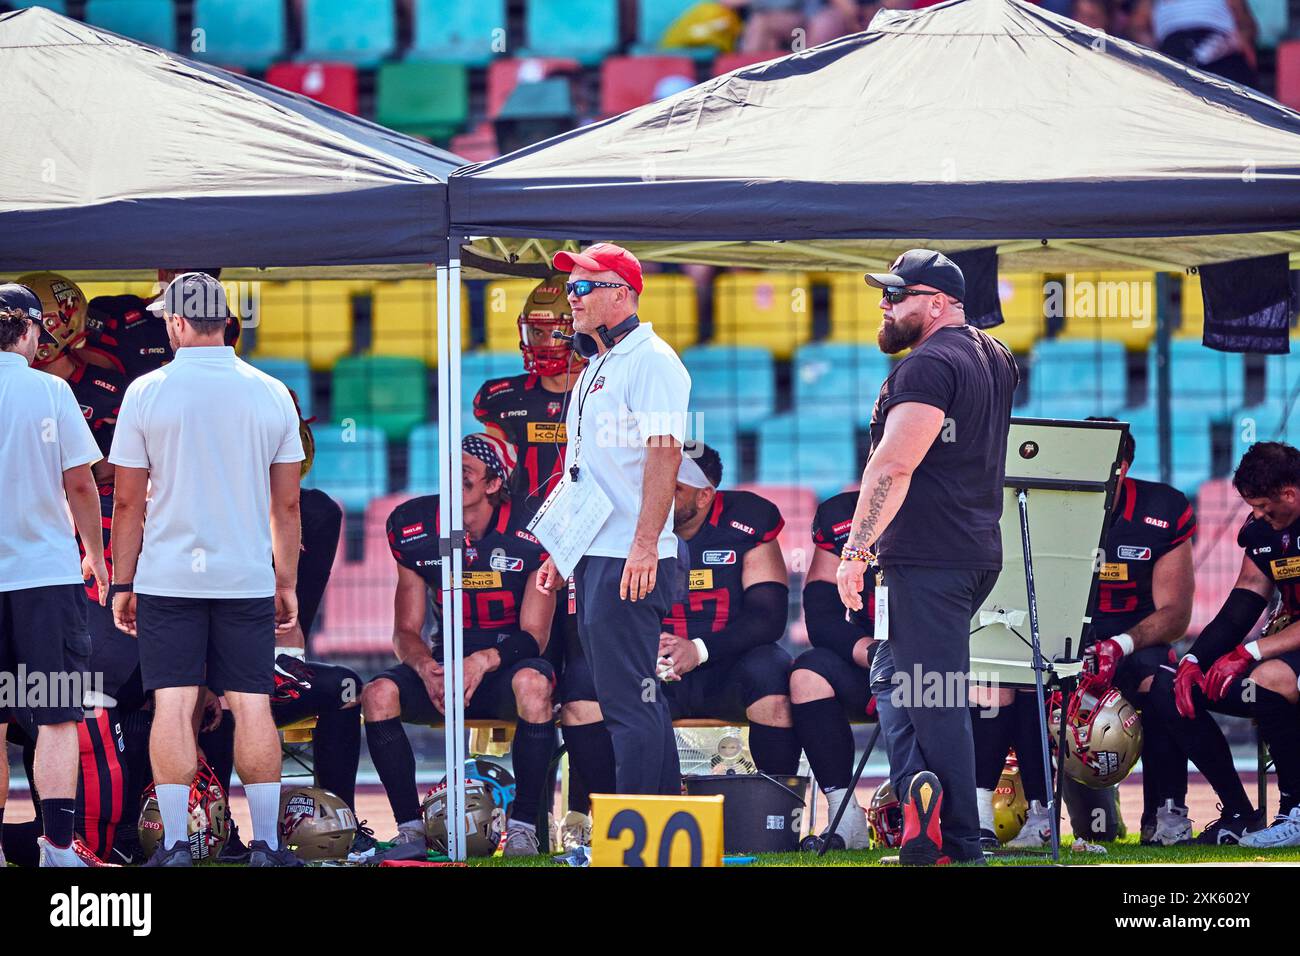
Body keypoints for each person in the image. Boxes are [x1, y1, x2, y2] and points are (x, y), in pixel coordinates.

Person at [107, 272, 305, 868]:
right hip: (245, 575)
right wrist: (286, 579)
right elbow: (288, 504)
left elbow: (126, 502)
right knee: (252, 705)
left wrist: (122, 581)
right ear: (225, 321)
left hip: (168, 576)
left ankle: (173, 846)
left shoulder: (146, 391)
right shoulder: (271, 391)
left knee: (172, 704)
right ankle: (267, 845)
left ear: (175, 323)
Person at [836, 250, 1018, 865]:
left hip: (929, 556)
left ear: (936, 302)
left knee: (933, 694)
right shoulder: (993, 355)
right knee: (901, 680)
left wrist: (855, 550)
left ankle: (957, 841)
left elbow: (894, 464)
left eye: (897, 296)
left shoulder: (929, 364)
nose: (883, 307)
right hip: (966, 551)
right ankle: (923, 808)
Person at [970, 420, 1195, 848]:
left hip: (1132, 643)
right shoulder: (1037, 502)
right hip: (1059, 638)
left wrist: (1120, 645)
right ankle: (1039, 814)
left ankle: (1168, 812)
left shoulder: (1160, 508)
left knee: (1161, 685)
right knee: (1019, 681)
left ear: (1121, 467)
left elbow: (1177, 614)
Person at [558, 443, 795, 840]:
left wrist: (698, 648)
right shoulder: (624, 524)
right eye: (658, 483)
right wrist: (639, 648)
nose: (662, 495)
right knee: (582, 685)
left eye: (676, 487)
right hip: (647, 668)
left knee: (771, 673)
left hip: (722, 666)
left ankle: (773, 820)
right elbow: (587, 615)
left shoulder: (748, 521)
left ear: (706, 495)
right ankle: (609, 819)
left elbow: (767, 617)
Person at [535, 242, 692, 797]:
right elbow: (587, 473)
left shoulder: (650, 359)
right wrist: (563, 549)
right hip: (601, 554)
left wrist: (646, 543)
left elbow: (665, 452)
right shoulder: (600, 362)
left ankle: (642, 836)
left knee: (629, 703)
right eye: (569, 287)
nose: (569, 299)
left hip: (629, 556)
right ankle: (662, 830)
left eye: (582, 287)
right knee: (627, 699)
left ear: (621, 294)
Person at [361, 434, 558, 856]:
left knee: (535, 687)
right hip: (445, 666)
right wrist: (424, 668)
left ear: (493, 484)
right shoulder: (415, 526)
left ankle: (523, 827)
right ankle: (410, 828)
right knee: (377, 695)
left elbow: (536, 636)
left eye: (466, 472)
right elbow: (405, 630)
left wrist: (482, 661)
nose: (452, 478)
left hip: (505, 663)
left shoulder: (533, 526)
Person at [0, 283, 110, 867]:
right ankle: (59, 850)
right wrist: (94, 552)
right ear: (32, 331)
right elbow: (80, 485)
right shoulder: (51, 391)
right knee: (58, 714)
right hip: (44, 576)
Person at [1143, 442, 1300, 846]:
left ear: (1290, 493)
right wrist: (1197, 658)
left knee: (1270, 676)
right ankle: (1238, 814)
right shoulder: (1262, 532)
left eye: (1265, 507)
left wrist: (1248, 653)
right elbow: (1244, 600)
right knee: (1172, 684)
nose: (1259, 516)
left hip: (1280, 656)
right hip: (1283, 647)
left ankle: (1294, 810)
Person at [790, 488, 878, 849]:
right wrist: (870, 653)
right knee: (808, 673)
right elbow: (821, 616)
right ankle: (846, 816)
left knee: (989, 681)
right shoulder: (843, 515)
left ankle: (980, 814)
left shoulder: (947, 502)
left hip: (938, 659)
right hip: (871, 659)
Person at [474, 274, 585, 503]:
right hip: (522, 530)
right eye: (537, 332)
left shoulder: (607, 391)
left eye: (554, 334)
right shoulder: (503, 397)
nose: (544, 343)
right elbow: (489, 475)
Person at [1129, 0, 1258, 87]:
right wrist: (1155, 54)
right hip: (1173, 54)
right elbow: (1137, 26)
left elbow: (1247, 26)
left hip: (1219, 51)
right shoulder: (1151, 3)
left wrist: (1230, 43)